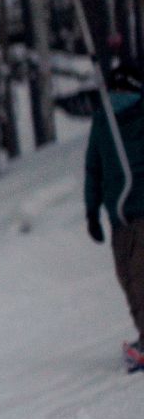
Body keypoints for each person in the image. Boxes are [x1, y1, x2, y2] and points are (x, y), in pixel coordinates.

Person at [84, 60, 144, 373]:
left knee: (135, 277)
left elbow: (93, 170)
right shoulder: (102, 122)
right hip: (120, 217)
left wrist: (92, 210)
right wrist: (92, 212)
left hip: (130, 213)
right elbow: (94, 167)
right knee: (130, 277)